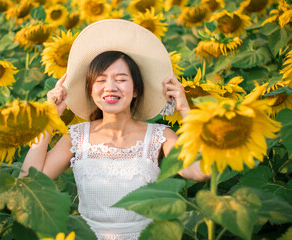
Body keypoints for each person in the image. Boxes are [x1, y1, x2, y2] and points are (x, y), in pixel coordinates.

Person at [20, 19, 209, 240]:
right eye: (101, 80)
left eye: (121, 79)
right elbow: (29, 180)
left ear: (136, 90)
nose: (111, 87)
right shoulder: (78, 137)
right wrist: (49, 117)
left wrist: (185, 109)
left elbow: (200, 171)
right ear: (91, 90)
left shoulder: (160, 137)